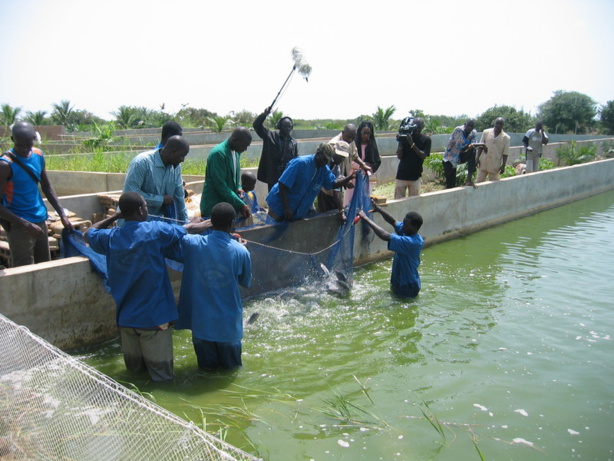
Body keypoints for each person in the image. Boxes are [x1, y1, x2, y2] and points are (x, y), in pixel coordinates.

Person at [84, 191, 211, 381]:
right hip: (155, 320)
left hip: (127, 321)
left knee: (134, 377)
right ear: (141, 210)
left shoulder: (111, 238)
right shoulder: (154, 231)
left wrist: (119, 215)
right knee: (162, 378)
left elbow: (88, 233)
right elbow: (188, 229)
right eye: (145, 206)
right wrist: (210, 223)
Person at [166, 202, 252, 370]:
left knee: (206, 373)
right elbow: (245, 282)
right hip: (228, 328)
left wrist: (191, 226)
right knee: (231, 373)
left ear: (210, 221)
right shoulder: (241, 252)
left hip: (201, 326)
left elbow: (167, 240)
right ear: (232, 223)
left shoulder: (192, 245)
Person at [0, 122, 73, 267]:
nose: (24, 149)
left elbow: (47, 187)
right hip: (18, 225)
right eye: (20, 145)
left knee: (44, 267)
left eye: (28, 144)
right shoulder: (5, 164)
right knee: (24, 269)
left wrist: (62, 215)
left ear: (34, 138)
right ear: (13, 140)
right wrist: (26, 224)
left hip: (40, 219)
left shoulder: (38, 154)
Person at [266, 143, 356, 223]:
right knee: (271, 234)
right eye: (324, 159)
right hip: (279, 205)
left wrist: (350, 177)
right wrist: (286, 207)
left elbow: (332, 184)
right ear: (318, 153)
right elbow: (283, 184)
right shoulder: (300, 163)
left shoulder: (323, 170)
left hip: (296, 210)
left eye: (327, 161)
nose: (325, 163)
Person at [357, 199, 424, 298]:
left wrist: (366, 218)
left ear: (415, 227)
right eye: (404, 223)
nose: (403, 226)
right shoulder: (407, 232)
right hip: (400, 282)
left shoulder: (411, 243)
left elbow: (386, 236)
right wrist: (379, 209)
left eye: (406, 225)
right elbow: (393, 221)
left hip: (407, 286)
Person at [123, 135, 190, 223]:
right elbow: (130, 193)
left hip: (155, 225)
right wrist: (160, 200)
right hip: (134, 225)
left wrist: (185, 224)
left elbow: (179, 197)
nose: (183, 160)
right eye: (182, 156)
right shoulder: (142, 162)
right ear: (173, 151)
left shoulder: (176, 167)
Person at [200, 127, 252, 219]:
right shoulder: (219, 154)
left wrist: (238, 187)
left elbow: (234, 177)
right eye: (244, 146)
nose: (245, 149)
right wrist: (241, 204)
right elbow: (220, 185)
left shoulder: (236, 152)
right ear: (234, 140)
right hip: (214, 207)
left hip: (226, 206)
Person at [254, 106, 298, 192]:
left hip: (287, 176)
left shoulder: (293, 142)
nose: (288, 129)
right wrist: (264, 115)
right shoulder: (270, 136)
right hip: (273, 176)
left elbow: (296, 159)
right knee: (273, 199)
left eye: (289, 126)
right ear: (279, 127)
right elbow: (257, 125)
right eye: (285, 126)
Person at [344, 121, 381, 205]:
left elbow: (377, 161)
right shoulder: (353, 145)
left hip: (366, 177)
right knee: (350, 201)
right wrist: (362, 165)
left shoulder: (372, 145)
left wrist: (370, 166)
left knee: (364, 202)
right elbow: (349, 161)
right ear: (360, 132)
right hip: (353, 176)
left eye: (368, 133)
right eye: (364, 133)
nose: (366, 135)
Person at [394, 118, 432, 198]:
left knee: (413, 202)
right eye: (415, 127)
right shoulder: (405, 137)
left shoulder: (426, 140)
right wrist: (401, 142)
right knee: (398, 201)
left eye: (419, 127)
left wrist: (412, 144)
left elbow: (423, 155)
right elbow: (399, 156)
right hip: (402, 175)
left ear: (423, 127)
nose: (417, 129)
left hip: (415, 176)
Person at [442, 119, 481, 189]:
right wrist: (471, 145)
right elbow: (460, 145)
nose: (470, 128)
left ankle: (469, 180)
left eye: (472, 126)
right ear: (465, 125)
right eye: (468, 125)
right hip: (450, 159)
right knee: (451, 184)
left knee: (472, 152)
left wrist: (473, 145)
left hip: (460, 156)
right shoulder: (458, 130)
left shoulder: (473, 133)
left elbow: (473, 144)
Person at [316, 141, 353, 213]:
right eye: (339, 156)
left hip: (330, 193)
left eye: (343, 157)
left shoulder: (336, 167)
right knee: (324, 214)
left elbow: (336, 190)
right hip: (322, 191)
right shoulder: (325, 162)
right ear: (334, 152)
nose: (341, 159)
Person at [476, 117, 510, 182]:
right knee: (479, 183)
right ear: (494, 123)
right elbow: (480, 146)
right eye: (497, 123)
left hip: (495, 164)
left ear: (503, 125)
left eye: (501, 124)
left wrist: (503, 165)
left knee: (494, 184)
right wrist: (477, 158)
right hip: (483, 162)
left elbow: (505, 153)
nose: (498, 125)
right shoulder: (486, 132)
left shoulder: (506, 138)